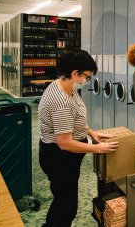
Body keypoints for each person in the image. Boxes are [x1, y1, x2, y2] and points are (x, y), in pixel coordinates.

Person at [38, 50, 119, 227]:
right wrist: (97, 148)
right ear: (75, 73)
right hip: (59, 159)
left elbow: (76, 118)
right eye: (87, 77)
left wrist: (91, 132)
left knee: (61, 200)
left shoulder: (67, 87)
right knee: (68, 208)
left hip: (65, 158)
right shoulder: (60, 101)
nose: (86, 81)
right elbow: (64, 143)